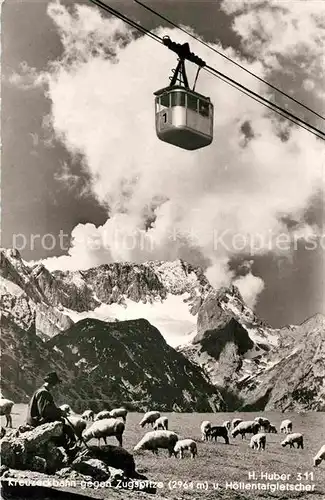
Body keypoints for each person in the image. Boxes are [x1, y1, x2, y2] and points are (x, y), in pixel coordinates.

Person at [26, 372, 79, 460]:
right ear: (53, 384)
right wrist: (60, 412)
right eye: (55, 384)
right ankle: (71, 452)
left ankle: (68, 451)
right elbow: (45, 411)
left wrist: (57, 412)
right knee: (66, 429)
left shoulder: (39, 391)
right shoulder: (44, 393)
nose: (55, 387)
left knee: (62, 425)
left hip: (34, 420)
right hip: (37, 423)